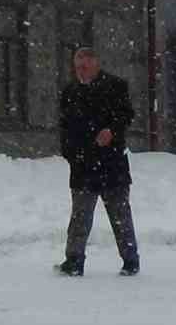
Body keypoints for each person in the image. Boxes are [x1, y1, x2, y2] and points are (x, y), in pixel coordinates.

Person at [57, 47, 140, 277]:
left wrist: (111, 131)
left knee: (120, 213)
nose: (80, 71)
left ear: (95, 64)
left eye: (84, 66)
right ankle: (74, 260)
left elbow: (126, 115)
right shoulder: (70, 92)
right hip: (82, 164)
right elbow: (65, 126)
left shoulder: (115, 86)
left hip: (111, 162)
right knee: (80, 216)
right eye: (77, 67)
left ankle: (131, 260)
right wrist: (69, 152)